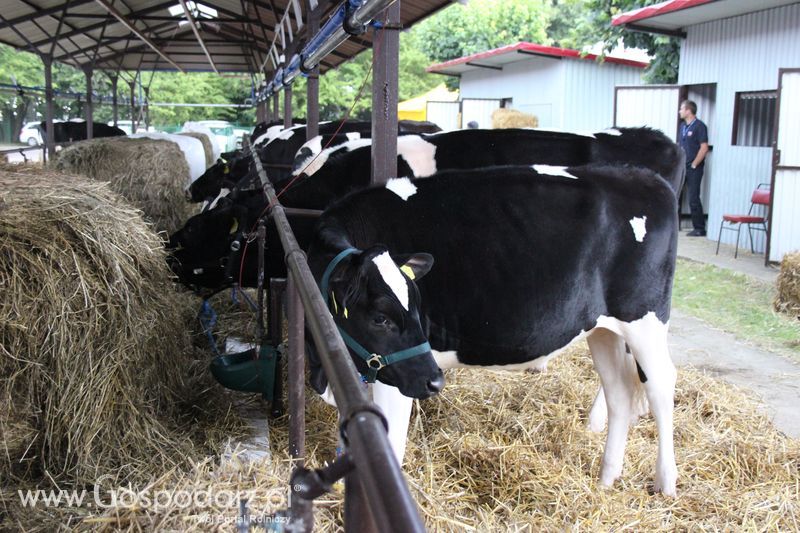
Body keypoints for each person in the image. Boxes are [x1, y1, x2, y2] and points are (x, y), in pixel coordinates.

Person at [679, 99, 710, 237]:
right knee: (677, 195)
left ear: (688, 111)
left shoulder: (700, 126)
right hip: (682, 166)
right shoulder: (683, 127)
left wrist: (694, 164)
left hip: (694, 167)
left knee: (693, 198)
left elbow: (704, 148)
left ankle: (699, 228)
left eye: (681, 109)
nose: (679, 111)